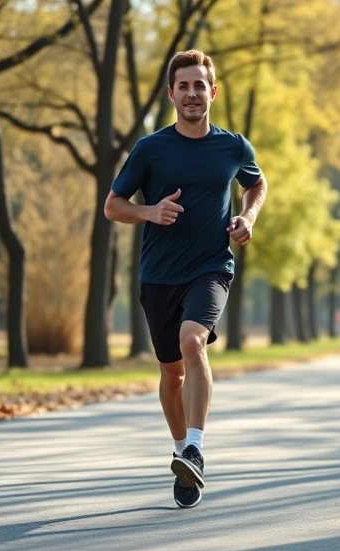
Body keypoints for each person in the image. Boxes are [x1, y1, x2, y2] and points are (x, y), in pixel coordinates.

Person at [104, 49, 267, 509]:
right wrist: (149, 211)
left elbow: (256, 183)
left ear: (212, 92)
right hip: (159, 275)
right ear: (172, 94)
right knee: (170, 373)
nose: (193, 93)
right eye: (184, 86)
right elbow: (113, 205)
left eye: (200, 85)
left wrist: (248, 216)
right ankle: (181, 453)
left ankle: (195, 444)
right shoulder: (150, 149)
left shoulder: (233, 146)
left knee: (193, 341)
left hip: (211, 266)